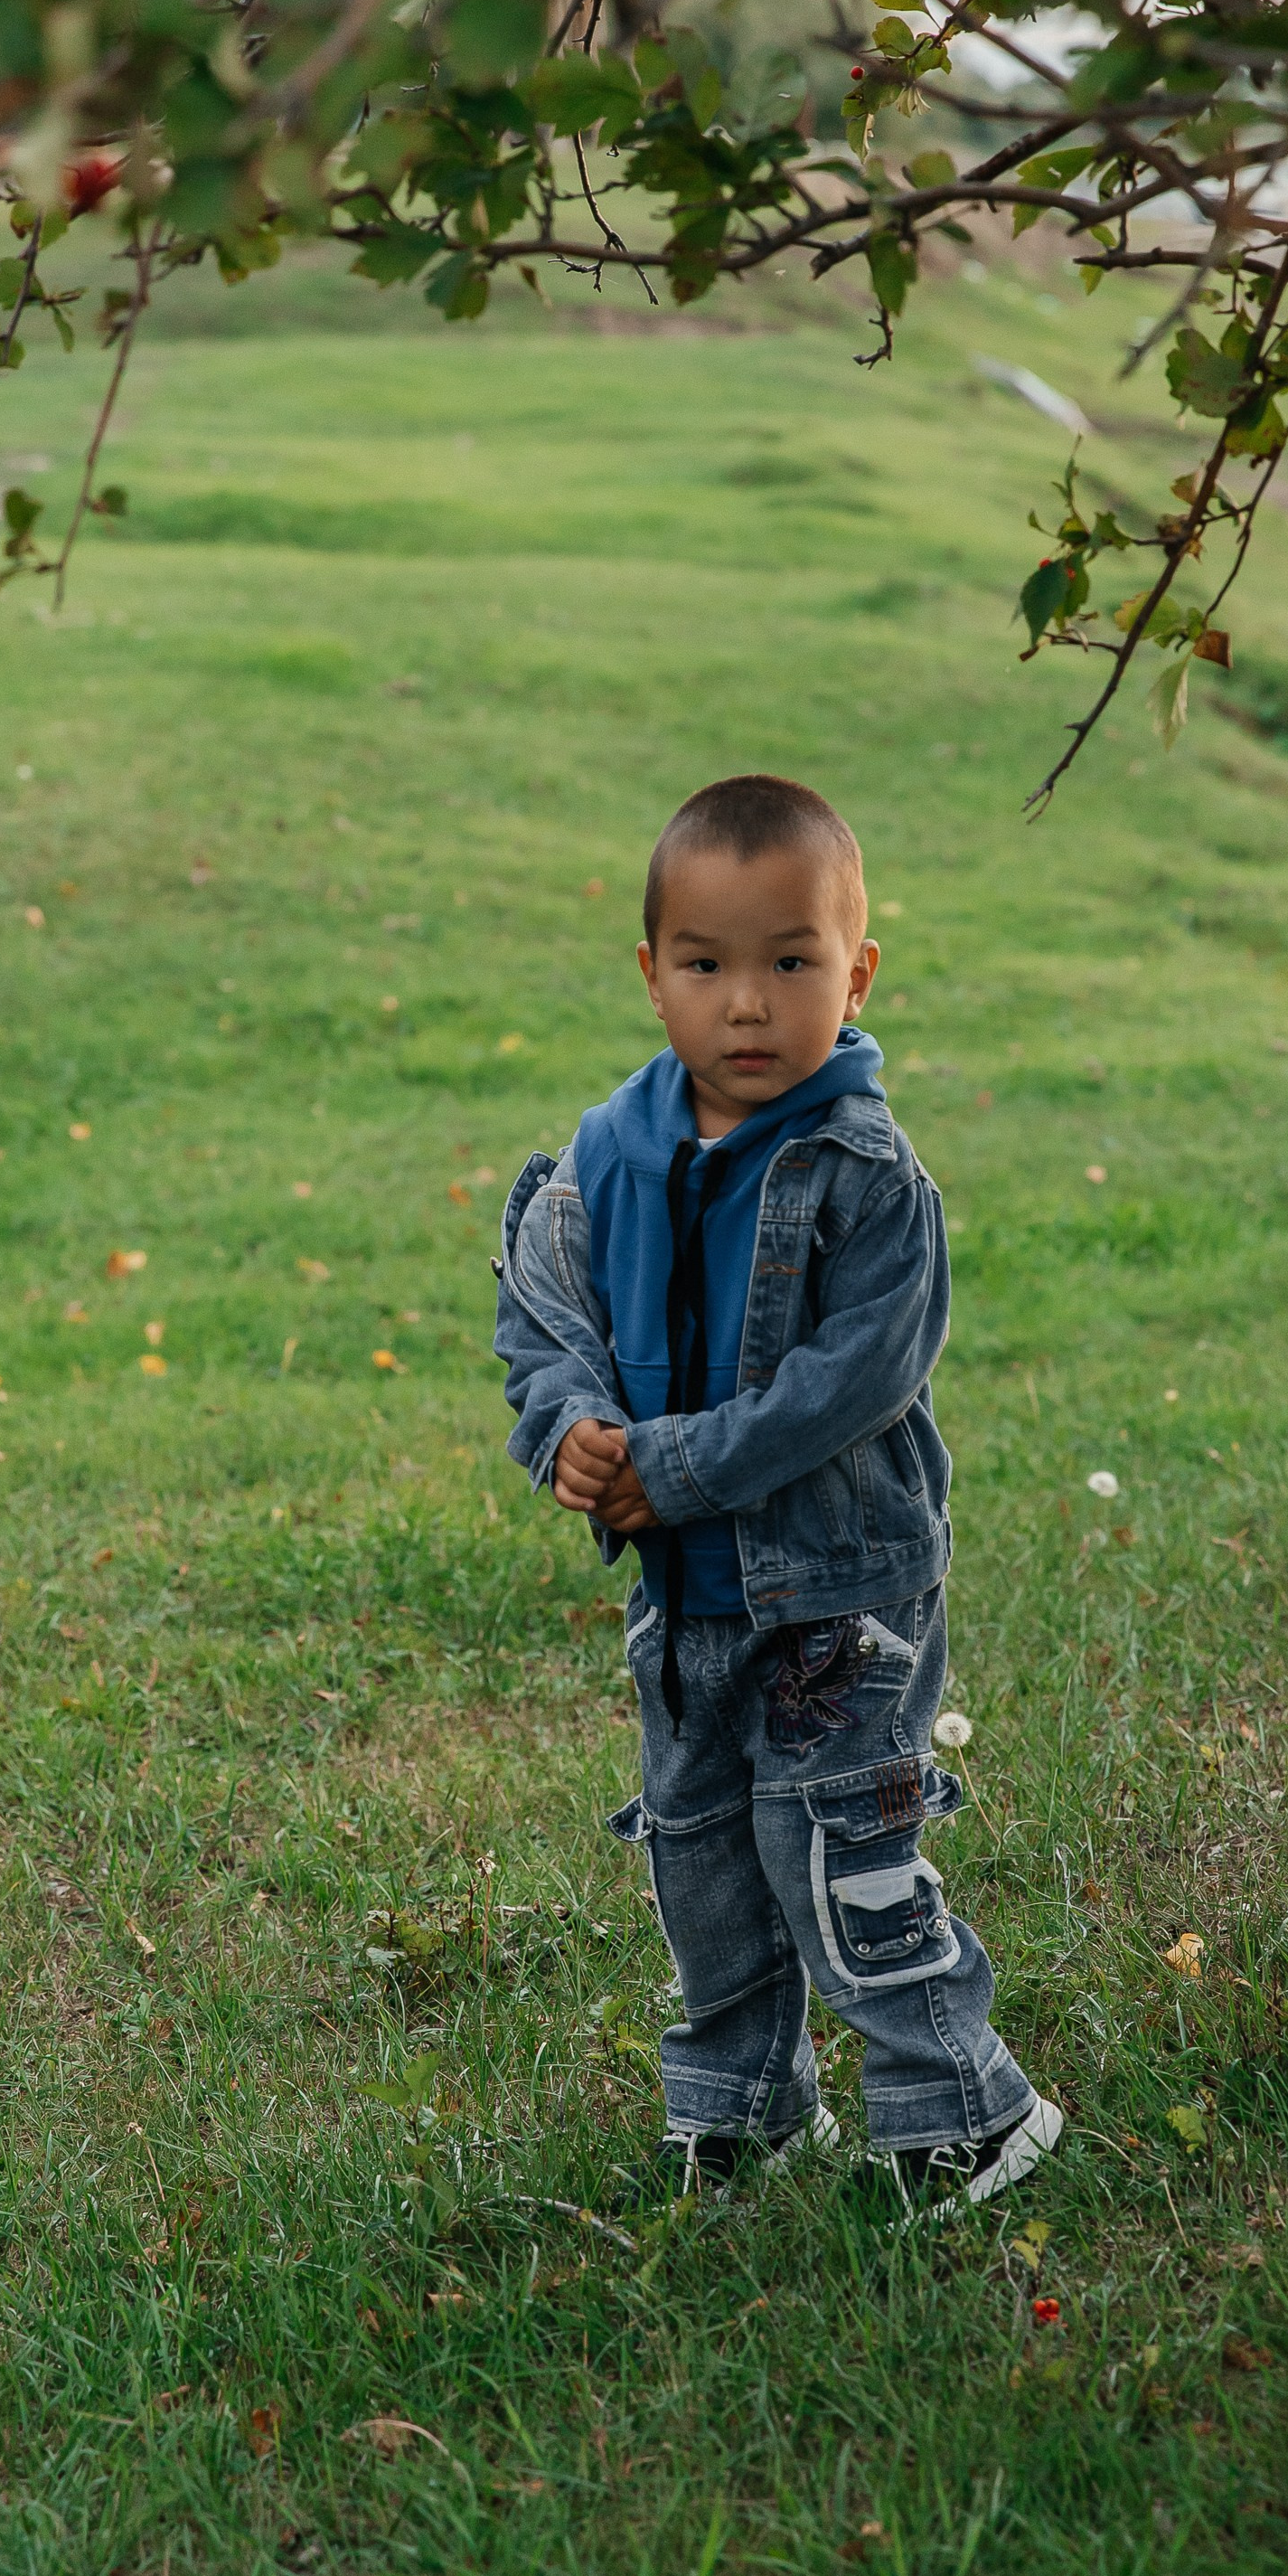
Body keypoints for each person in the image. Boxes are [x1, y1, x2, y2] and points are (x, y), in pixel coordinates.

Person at [494, 772, 1063, 2216]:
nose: (746, 1006)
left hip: (838, 1585)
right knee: (701, 1858)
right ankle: (741, 2106)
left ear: (855, 971)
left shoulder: (865, 1174)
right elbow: (541, 1314)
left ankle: (963, 2109)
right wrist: (569, 1428)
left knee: (836, 1845)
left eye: (790, 964)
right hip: (684, 1602)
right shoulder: (605, 1162)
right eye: (706, 967)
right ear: (651, 975)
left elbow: (848, 1381)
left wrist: (664, 1469)